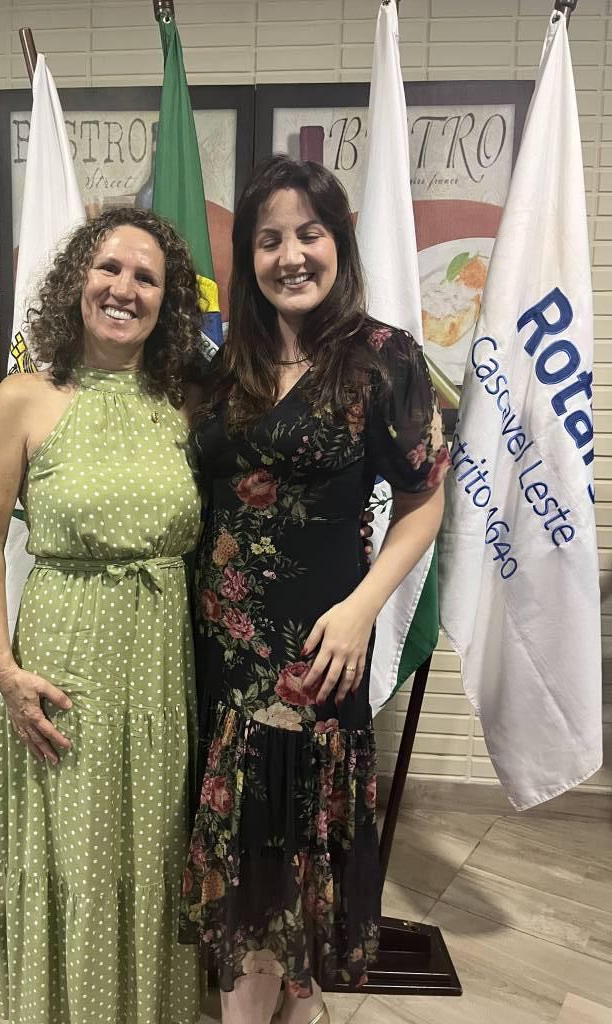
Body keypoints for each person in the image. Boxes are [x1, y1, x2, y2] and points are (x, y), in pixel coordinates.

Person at [179, 155, 451, 1024]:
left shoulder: (382, 359)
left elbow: (424, 500)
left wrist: (365, 609)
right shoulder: (223, 366)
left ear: (339, 243)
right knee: (250, 855)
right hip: (219, 654)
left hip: (315, 650)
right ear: (248, 258)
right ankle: (291, 1005)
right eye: (269, 240)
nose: (290, 255)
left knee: (287, 851)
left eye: (309, 234)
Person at [0, 207, 207, 1024]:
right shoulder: (24, 398)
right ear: (77, 281)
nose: (124, 288)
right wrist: (3, 669)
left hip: (161, 668)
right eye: (109, 268)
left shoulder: (183, 404)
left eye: (146, 277)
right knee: (73, 853)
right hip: (66, 663)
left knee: (151, 851)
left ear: (167, 302)